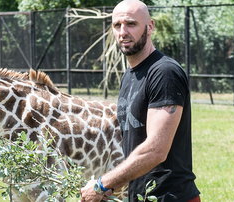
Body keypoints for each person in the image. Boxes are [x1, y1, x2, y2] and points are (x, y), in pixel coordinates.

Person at [80, 0, 200, 201]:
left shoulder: (164, 73)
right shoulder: (130, 75)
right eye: (117, 25)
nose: (123, 32)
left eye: (131, 24)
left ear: (150, 26)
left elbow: (155, 150)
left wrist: (102, 184)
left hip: (171, 197)